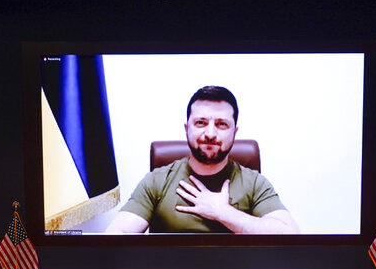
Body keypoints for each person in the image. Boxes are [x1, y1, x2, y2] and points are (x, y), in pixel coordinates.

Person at [106, 85, 297, 234]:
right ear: (187, 128)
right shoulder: (157, 181)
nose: (210, 133)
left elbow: (290, 235)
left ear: (234, 132)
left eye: (221, 124)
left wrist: (224, 213)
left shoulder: (254, 183)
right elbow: (117, 233)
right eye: (201, 123)